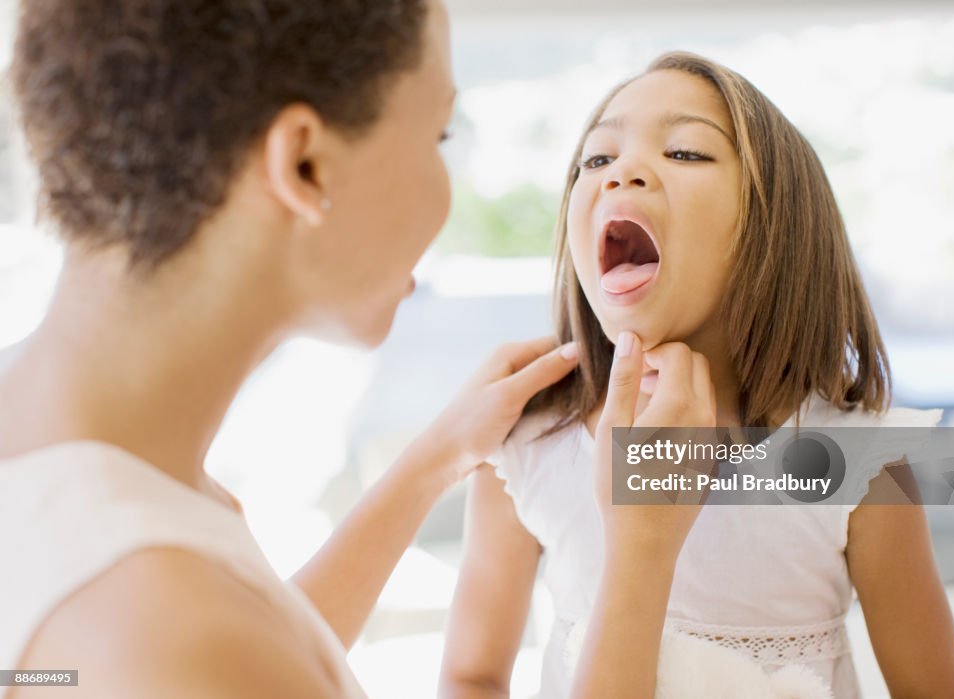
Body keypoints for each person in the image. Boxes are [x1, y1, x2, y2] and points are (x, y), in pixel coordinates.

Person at [0, 1, 700, 697]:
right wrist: (641, 551)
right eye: (439, 134)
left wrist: (435, 459)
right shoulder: (166, 636)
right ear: (305, 164)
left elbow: (272, 644)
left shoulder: (97, 486)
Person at [440, 51, 954, 698]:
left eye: (686, 152)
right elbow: (472, 676)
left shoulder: (855, 463)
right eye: (597, 159)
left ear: (774, 227)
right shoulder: (529, 447)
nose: (621, 173)